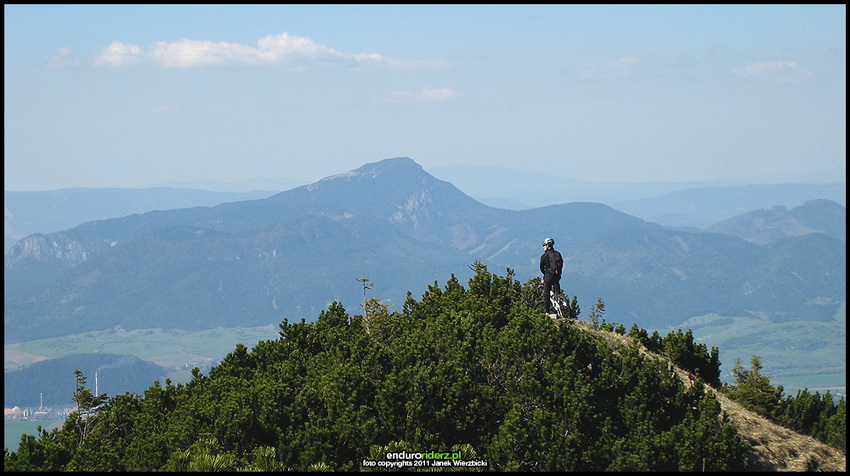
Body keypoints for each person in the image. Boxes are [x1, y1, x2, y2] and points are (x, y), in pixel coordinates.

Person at [540, 237, 563, 316]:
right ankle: (559, 299)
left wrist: (545, 274)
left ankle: (547, 312)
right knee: (556, 287)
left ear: (547, 246)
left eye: (544, 245)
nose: (543, 247)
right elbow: (561, 264)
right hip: (557, 275)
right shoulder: (558, 254)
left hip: (549, 275)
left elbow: (541, 267)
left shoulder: (544, 256)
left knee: (546, 294)